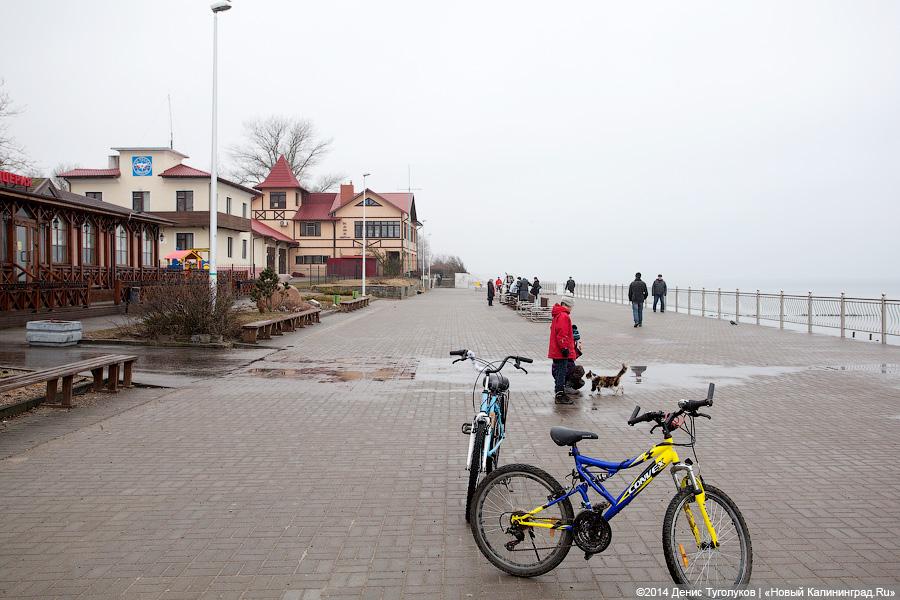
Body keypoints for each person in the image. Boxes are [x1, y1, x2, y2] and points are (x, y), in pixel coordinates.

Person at [549, 296, 577, 404]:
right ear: (567, 305)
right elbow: (562, 334)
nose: (571, 309)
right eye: (571, 306)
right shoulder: (563, 316)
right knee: (561, 372)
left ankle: (560, 392)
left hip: (556, 350)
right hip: (560, 351)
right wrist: (564, 347)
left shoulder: (558, 314)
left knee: (560, 371)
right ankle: (560, 394)